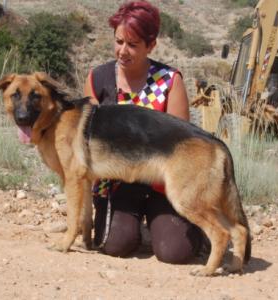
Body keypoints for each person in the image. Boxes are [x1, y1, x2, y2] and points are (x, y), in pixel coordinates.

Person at [84, 0, 203, 264]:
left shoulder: (170, 81)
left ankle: (196, 228)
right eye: (118, 41)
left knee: (175, 252)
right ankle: (132, 228)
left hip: (163, 184)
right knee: (114, 245)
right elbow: (89, 142)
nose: (122, 51)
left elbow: (181, 149)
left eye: (133, 45)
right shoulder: (98, 79)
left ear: (151, 45)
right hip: (116, 183)